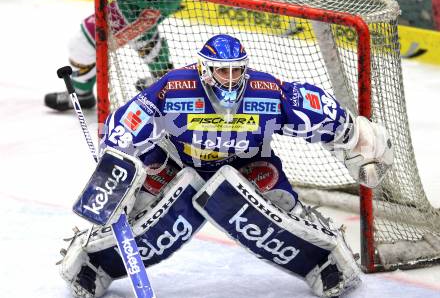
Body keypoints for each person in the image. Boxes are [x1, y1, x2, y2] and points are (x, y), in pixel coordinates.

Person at [58, 34, 393, 297]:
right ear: (205, 69)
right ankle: (93, 260)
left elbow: (316, 111)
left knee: (282, 206)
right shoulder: (175, 88)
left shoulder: (265, 91)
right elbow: (129, 123)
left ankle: (324, 261)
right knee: (140, 207)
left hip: (249, 165)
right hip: (177, 164)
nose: (231, 79)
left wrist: (359, 140)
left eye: (237, 70)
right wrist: (117, 167)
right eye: (223, 70)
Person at [45, 0, 183, 111]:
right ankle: (163, 80)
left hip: (145, 1)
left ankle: (81, 94)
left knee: (83, 44)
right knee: (143, 38)